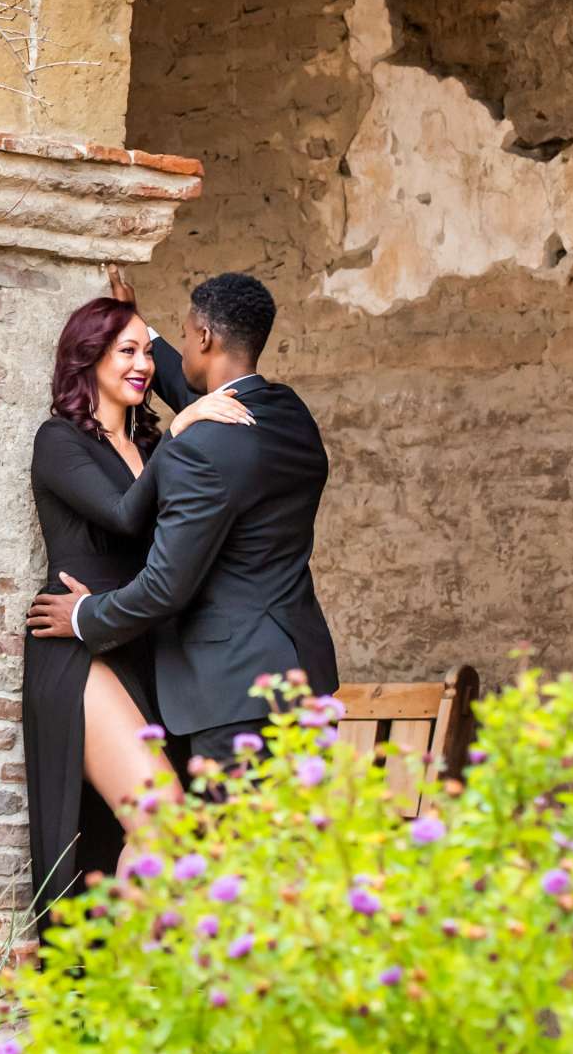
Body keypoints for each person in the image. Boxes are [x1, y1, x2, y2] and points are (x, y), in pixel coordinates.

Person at [27, 268, 339, 776]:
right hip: (306, 678)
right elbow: (211, 406)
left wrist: (83, 616)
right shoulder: (289, 416)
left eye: (184, 333)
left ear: (204, 337)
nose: (148, 365)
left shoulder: (198, 449)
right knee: (296, 848)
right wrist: (141, 327)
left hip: (235, 693)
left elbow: (165, 586)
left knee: (230, 849)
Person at [22, 294, 252, 921]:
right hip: (77, 649)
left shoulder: (153, 448)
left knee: (141, 839)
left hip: (147, 654)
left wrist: (143, 321)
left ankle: (126, 996)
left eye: (149, 352)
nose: (144, 365)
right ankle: (135, 991)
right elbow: (126, 517)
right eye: (127, 351)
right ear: (88, 358)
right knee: (164, 824)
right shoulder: (60, 441)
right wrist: (184, 426)